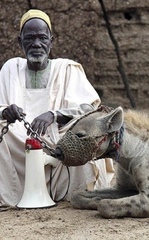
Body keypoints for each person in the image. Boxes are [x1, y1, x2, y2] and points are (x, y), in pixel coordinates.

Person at [0, 9, 114, 207]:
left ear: (51, 41)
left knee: (82, 137)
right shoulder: (10, 68)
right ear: (20, 42)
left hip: (58, 136)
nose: (36, 44)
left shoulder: (67, 68)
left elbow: (90, 108)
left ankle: (75, 193)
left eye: (42, 38)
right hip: (16, 137)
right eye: (30, 38)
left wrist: (54, 115)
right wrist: (5, 111)